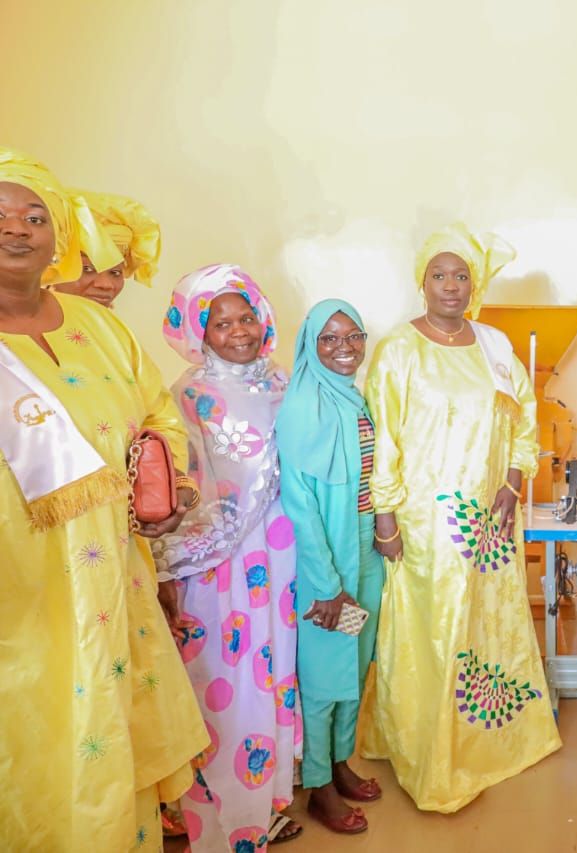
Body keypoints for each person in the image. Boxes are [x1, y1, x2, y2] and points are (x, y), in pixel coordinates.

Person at [0, 149, 205, 850]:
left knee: (114, 740)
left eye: (35, 215)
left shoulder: (108, 330)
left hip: (117, 582)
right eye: (0, 215)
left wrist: (168, 488)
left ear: (59, 237)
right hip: (22, 602)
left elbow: (159, 420)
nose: (17, 229)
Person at [361, 222, 561, 812]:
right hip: (425, 523)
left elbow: (525, 419)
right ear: (421, 283)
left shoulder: (495, 346)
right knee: (431, 630)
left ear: (474, 285)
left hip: (489, 520)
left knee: (485, 623)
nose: (451, 286)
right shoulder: (398, 349)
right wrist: (386, 520)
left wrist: (513, 482)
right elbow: (385, 440)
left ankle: (488, 741)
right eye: (439, 275)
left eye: (461, 276)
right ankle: (430, 753)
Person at [153, 265, 302, 849]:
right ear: (199, 330)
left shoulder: (282, 382)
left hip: (281, 557)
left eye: (246, 318)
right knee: (225, 684)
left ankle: (262, 806)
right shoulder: (191, 394)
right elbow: (184, 483)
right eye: (221, 322)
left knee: (272, 679)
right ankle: (220, 823)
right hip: (219, 565)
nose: (238, 331)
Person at [277, 300, 384, 835]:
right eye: (329, 338)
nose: (344, 348)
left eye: (353, 336)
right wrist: (326, 585)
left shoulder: (354, 398)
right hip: (328, 563)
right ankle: (318, 783)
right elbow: (299, 504)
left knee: (355, 662)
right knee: (322, 678)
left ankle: (341, 763)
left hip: (365, 551)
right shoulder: (302, 405)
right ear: (310, 346)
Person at [53, 190, 161, 309]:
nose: (106, 285)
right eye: (87, 269)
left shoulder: (110, 327)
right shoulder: (31, 325)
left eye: (115, 272)